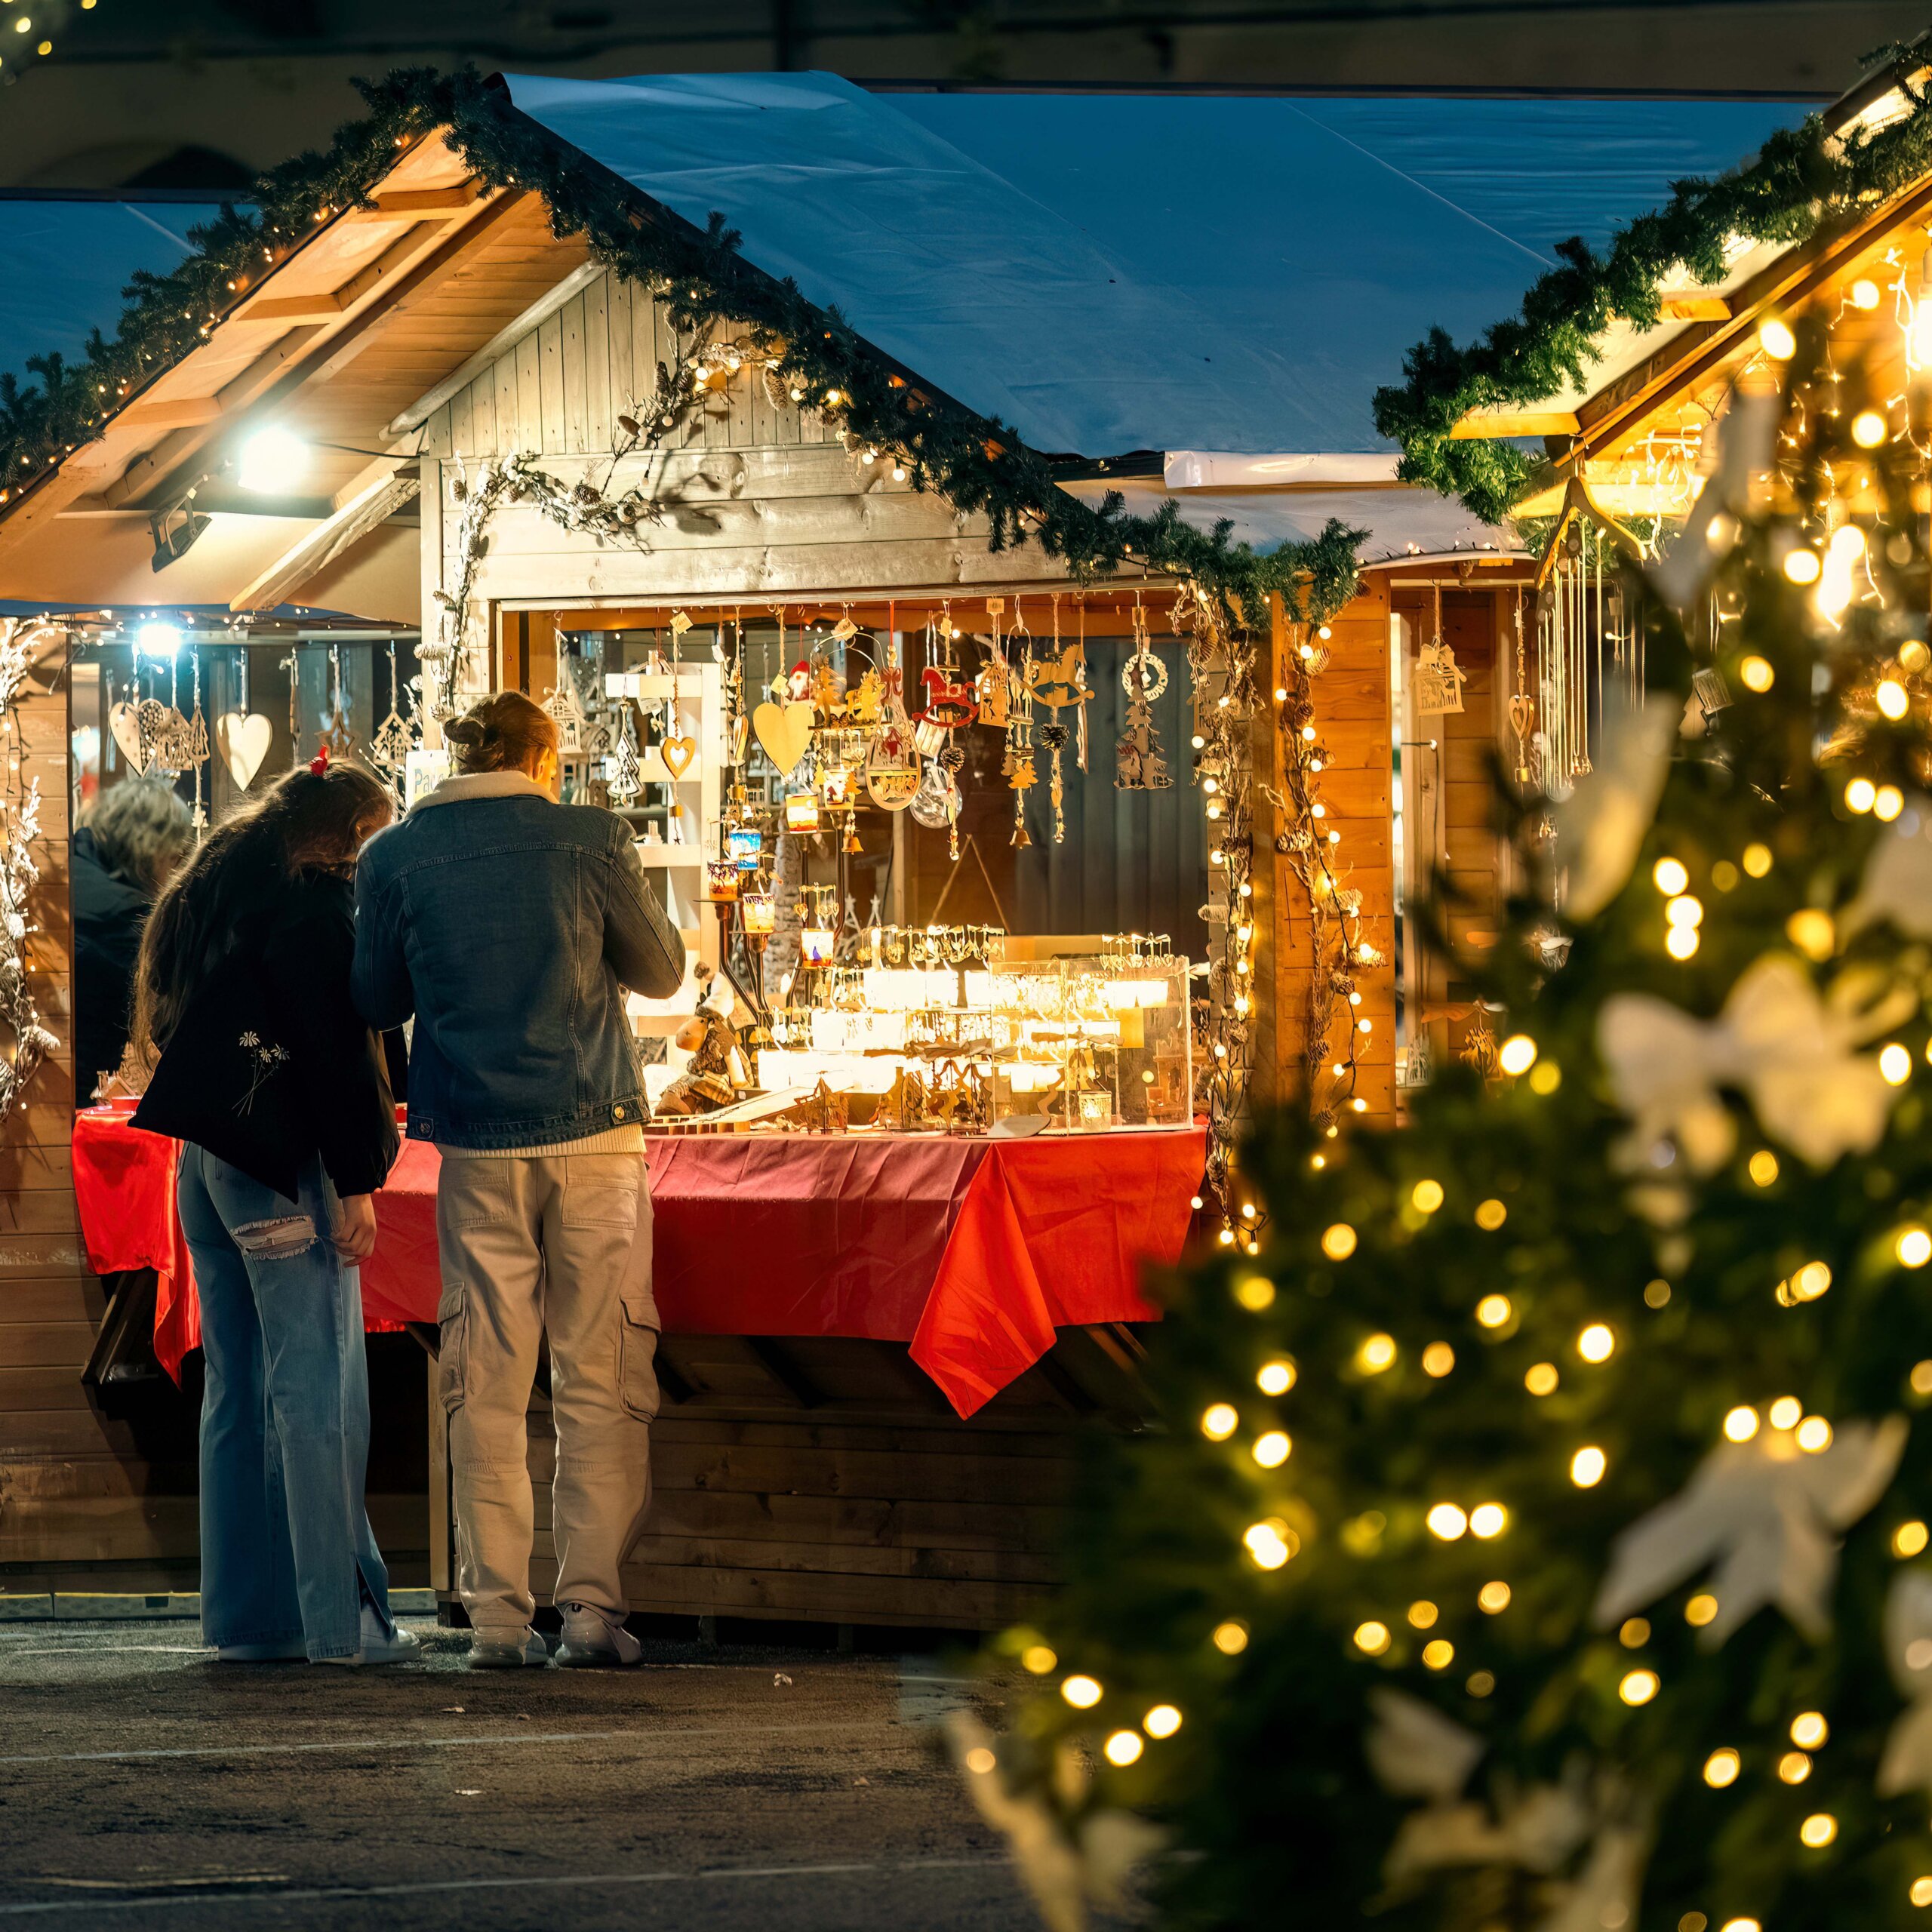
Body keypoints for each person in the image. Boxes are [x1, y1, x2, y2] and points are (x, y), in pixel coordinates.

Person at [352, 691, 685, 1669]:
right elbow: (661, 973)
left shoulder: (396, 857)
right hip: (594, 1138)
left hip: (474, 1142)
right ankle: (590, 1612)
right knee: (600, 1376)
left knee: (484, 1383)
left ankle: (495, 1618)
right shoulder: (590, 838)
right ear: (545, 760)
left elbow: (374, 996)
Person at [131, 757, 417, 1668]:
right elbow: (334, 1055)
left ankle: (251, 1620)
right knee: (317, 1390)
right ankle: (344, 1625)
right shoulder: (316, 911)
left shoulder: (210, 891)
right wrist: (357, 1178)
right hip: (282, 1173)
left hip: (204, 1166)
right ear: (350, 836)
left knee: (237, 1389)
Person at [72, 778, 195, 1100]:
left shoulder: (71, 867)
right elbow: (167, 1020)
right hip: (78, 1087)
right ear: (149, 849)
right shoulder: (129, 917)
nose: (178, 872)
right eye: (175, 858)